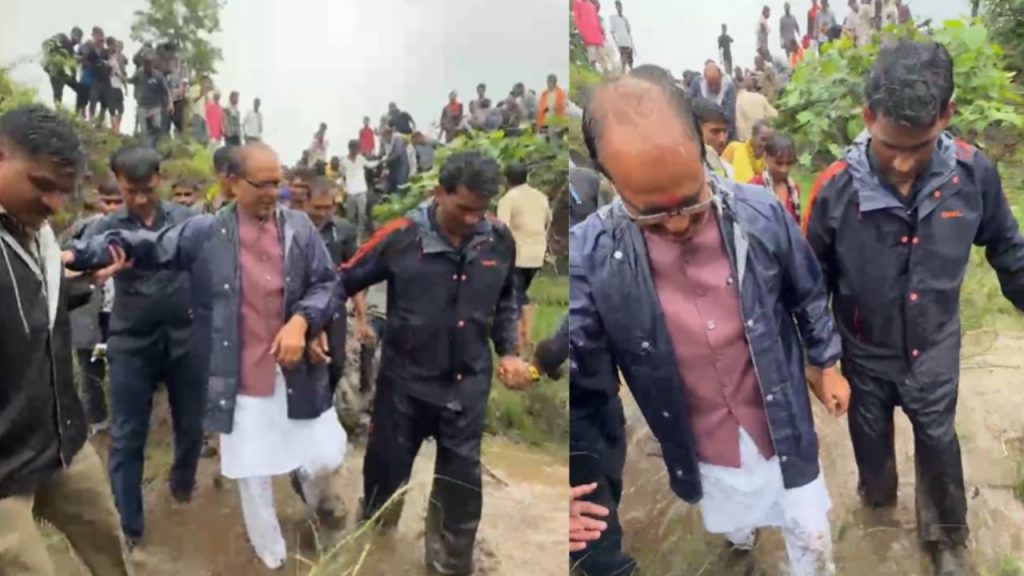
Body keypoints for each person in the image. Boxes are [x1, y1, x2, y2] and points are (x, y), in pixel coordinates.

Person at [574, 70, 847, 576]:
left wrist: (825, 362)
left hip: (777, 415)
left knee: (808, 529)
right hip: (700, 430)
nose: (677, 222)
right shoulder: (591, 255)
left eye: (690, 200)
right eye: (653, 213)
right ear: (611, 179)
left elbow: (808, 293)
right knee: (731, 516)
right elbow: (583, 377)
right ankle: (741, 539)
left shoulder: (759, 213)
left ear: (701, 151)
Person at [67, 142, 348, 570]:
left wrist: (303, 322)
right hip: (238, 372)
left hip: (294, 368)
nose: (275, 193)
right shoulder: (207, 232)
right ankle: (272, 556)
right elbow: (144, 245)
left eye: (278, 184)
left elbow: (327, 283)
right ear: (231, 183)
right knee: (252, 471)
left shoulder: (299, 229)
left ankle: (314, 502)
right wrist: (80, 255)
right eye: (264, 184)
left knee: (322, 455)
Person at [803, 40, 1024, 576]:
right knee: (870, 435)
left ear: (947, 116)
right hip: (864, 347)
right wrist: (821, 359)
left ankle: (947, 537)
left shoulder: (974, 176)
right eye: (888, 146)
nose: (902, 162)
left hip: (935, 344)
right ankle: (876, 496)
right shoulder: (834, 191)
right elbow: (810, 286)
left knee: (937, 436)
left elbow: (1008, 250)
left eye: (919, 146)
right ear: (867, 117)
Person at [333, 151, 533, 575]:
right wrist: (307, 323)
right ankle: (371, 553)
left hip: (466, 387)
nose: (473, 219)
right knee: (383, 483)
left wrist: (511, 351)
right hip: (403, 386)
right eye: (463, 209)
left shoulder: (498, 239)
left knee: (460, 488)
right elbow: (340, 280)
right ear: (437, 193)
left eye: (482, 210)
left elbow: (507, 300)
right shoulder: (400, 236)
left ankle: (448, 564)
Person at [0, 104, 131, 576]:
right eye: (42, 185)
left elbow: (29, 304)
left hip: (61, 442)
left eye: (64, 190)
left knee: (110, 546)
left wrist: (81, 284)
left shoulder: (35, 233)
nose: (55, 203)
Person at [73, 145, 207, 551]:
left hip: (186, 336)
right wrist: (91, 277)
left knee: (192, 424)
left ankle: (182, 483)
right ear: (118, 184)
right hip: (131, 340)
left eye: (148, 189)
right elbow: (81, 270)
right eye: (132, 191)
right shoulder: (104, 230)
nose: (141, 198)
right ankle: (129, 527)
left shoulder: (187, 221)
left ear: (160, 179)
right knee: (127, 434)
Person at [63, 182, 123, 437]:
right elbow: (63, 268)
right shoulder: (79, 232)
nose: (111, 208)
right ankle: (98, 420)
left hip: (120, 314)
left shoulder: (138, 229)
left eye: (117, 201)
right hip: (91, 314)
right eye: (107, 201)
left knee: (124, 367)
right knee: (91, 369)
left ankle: (126, 418)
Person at [497, 162, 552, 352]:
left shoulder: (508, 199)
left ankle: (519, 341)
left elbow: (501, 229)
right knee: (521, 293)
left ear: (506, 179)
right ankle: (527, 336)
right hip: (536, 254)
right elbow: (547, 222)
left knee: (514, 295)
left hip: (516, 254)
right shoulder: (540, 196)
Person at [750, 134, 801, 223]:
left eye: (788, 163)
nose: (783, 169)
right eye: (778, 163)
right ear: (766, 157)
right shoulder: (754, 187)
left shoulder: (794, 190)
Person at [340, 139, 379, 239]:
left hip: (361, 190)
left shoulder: (360, 158)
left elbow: (369, 165)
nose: (358, 150)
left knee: (362, 214)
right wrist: (344, 188)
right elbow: (342, 176)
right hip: (351, 192)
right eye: (357, 148)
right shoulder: (343, 162)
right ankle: (351, 236)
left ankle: (360, 236)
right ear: (351, 149)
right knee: (351, 216)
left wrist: (381, 161)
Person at [691, 62, 738, 140]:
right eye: (710, 85)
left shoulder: (728, 87)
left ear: (720, 77)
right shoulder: (697, 84)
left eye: (716, 84)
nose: (713, 88)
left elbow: (730, 118)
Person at [693, 98, 734, 179]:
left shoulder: (729, 170)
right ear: (695, 131)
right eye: (715, 131)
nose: (722, 139)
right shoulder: (682, 170)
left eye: (725, 131)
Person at [723, 119, 774, 184]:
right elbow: (745, 184)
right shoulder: (738, 148)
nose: (765, 144)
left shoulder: (767, 157)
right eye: (763, 139)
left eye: (769, 141)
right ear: (753, 136)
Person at [735, 75, 779, 143]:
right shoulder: (758, 97)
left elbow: (740, 128)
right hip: (764, 140)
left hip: (748, 143)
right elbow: (774, 115)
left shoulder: (737, 103)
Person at [572, 0, 609, 73]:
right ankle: (593, 71)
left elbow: (596, 20)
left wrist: (602, 32)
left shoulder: (591, 5)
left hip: (597, 35)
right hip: (587, 35)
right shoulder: (577, 2)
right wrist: (581, 31)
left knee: (603, 55)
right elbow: (577, 18)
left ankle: (606, 72)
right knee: (592, 56)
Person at [537, 74, 568, 146]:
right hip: (545, 120)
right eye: (548, 82)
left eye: (551, 82)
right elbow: (540, 108)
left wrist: (551, 107)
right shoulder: (544, 94)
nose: (549, 84)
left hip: (557, 120)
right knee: (546, 141)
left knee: (556, 140)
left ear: (555, 83)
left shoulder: (561, 93)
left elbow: (562, 106)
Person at [104, 37, 126, 135]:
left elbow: (121, 73)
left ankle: (116, 128)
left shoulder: (117, 60)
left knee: (120, 109)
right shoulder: (110, 59)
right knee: (114, 110)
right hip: (112, 86)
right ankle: (115, 129)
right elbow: (114, 72)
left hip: (117, 87)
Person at [382, 126, 410, 194]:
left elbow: (398, 153)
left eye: (384, 136)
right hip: (393, 167)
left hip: (401, 165)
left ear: (389, 134)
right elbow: (387, 153)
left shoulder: (398, 139)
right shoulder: (387, 142)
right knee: (391, 186)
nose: (384, 138)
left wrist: (387, 160)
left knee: (400, 185)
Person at [609, 1, 635, 72]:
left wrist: (631, 43)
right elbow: (612, 32)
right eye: (618, 6)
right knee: (623, 59)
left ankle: (631, 73)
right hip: (620, 42)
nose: (619, 8)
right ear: (616, 7)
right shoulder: (613, 18)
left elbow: (629, 31)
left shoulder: (625, 19)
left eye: (620, 6)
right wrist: (616, 43)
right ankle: (623, 74)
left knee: (630, 61)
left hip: (628, 42)